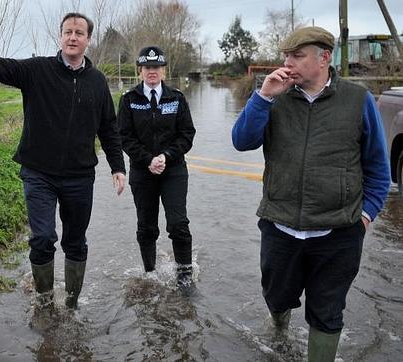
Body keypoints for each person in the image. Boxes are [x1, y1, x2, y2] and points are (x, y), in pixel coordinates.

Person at [0, 12, 126, 310]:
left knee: (76, 242)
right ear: (61, 36)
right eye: (68, 31)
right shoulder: (38, 70)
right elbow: (3, 68)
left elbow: (109, 128)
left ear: (88, 40)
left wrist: (118, 167)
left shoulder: (97, 82)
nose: (73, 37)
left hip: (79, 176)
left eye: (79, 33)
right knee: (42, 237)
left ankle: (71, 304)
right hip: (39, 172)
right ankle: (43, 301)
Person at [231, 27, 390, 361]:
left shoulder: (357, 100)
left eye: (297, 56)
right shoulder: (273, 97)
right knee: (276, 296)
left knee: (328, 313)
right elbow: (242, 141)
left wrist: (364, 216)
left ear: (324, 57)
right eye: (286, 56)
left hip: (339, 232)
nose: (288, 63)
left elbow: (378, 168)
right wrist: (263, 97)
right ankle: (279, 327)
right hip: (280, 226)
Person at [117, 46, 196, 291]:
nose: (152, 72)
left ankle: (184, 276)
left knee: (178, 223)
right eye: (147, 67)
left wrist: (166, 155)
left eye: (156, 67)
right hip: (142, 172)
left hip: (173, 171)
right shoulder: (129, 100)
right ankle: (150, 273)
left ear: (163, 70)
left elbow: (187, 134)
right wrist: (147, 160)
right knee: (147, 226)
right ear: (140, 70)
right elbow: (124, 137)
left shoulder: (177, 98)